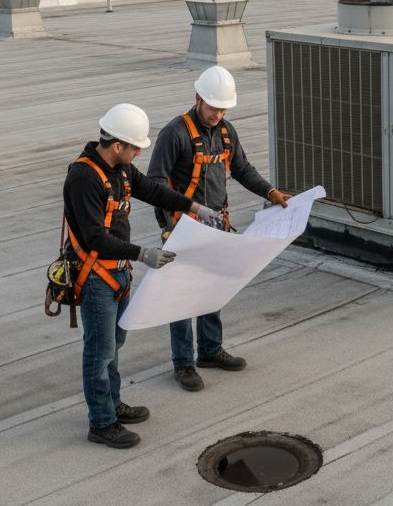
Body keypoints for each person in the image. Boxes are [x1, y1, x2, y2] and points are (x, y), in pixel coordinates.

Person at [63, 102, 223, 448]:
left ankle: (113, 404)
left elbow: (154, 191)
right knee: (100, 350)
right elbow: (94, 238)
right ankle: (102, 423)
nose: (138, 153)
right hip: (96, 278)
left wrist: (194, 207)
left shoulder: (119, 170)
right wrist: (143, 254)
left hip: (117, 274)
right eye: (135, 147)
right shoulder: (83, 177)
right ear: (117, 145)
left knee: (114, 345)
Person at [147, 66, 290, 392]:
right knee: (181, 297)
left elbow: (242, 169)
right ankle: (183, 364)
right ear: (198, 99)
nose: (218, 114)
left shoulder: (226, 131)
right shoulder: (175, 133)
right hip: (184, 228)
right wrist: (173, 220)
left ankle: (210, 350)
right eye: (213, 107)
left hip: (216, 226)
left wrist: (271, 192)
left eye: (224, 109)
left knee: (212, 288)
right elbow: (155, 182)